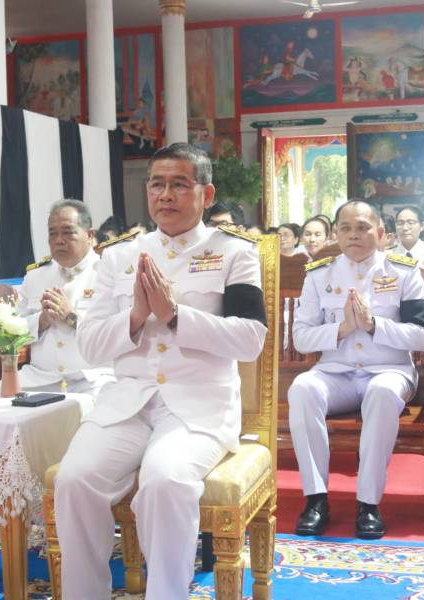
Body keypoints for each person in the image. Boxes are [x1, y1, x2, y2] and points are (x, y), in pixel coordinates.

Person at [54, 143, 268, 598]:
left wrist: (175, 315)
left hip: (198, 404)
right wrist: (134, 316)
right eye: (157, 184)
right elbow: (90, 346)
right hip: (127, 401)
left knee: (165, 480)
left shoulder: (234, 253)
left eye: (179, 184)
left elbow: (251, 339)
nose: (165, 194)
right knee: (75, 481)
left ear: (206, 194)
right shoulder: (118, 257)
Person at [288, 200, 424, 538]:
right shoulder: (319, 274)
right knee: (302, 389)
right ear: (336, 233)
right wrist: (340, 329)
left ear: (381, 233)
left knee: (382, 393)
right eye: (346, 228)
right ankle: (315, 499)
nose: (354, 234)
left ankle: (368, 503)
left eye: (363, 227)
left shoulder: (404, 271)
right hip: (335, 372)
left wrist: (372, 325)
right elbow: (301, 338)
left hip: (388, 370)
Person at [17, 200, 114, 406]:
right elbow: (13, 331)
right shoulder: (35, 276)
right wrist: (41, 320)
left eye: (68, 232)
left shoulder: (107, 273)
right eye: (53, 233)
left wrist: (71, 316)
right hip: (38, 381)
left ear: (90, 236)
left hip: (91, 380)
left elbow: (115, 331)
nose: (58, 240)